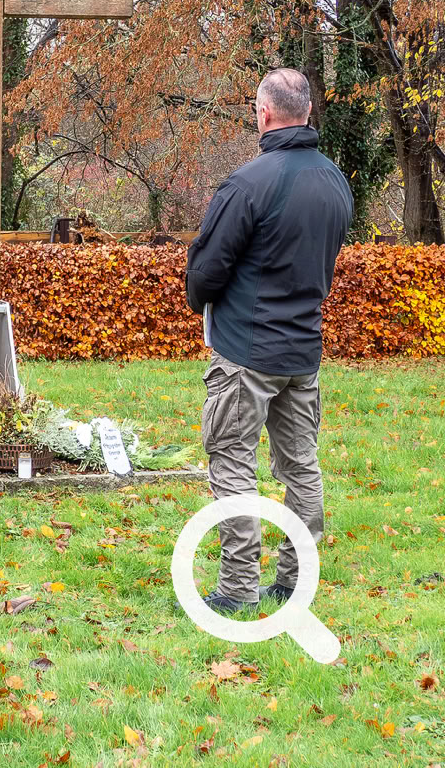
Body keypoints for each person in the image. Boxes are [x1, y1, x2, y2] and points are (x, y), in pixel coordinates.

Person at [186, 67, 353, 613]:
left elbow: (207, 272)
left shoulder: (248, 183)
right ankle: (295, 577)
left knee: (231, 458)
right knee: (301, 462)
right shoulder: (335, 181)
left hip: (247, 351)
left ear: (264, 113)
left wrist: (201, 297)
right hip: (304, 348)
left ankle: (236, 587)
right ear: (307, 111)